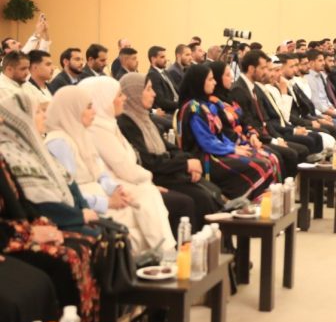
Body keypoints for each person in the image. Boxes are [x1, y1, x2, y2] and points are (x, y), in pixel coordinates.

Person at [0, 91, 103, 322]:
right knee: (61, 262)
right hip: (8, 236)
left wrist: (39, 224)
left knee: (85, 246)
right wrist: (25, 232)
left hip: (14, 230)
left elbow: (19, 200)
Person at [45, 86, 162, 256]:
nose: (94, 112)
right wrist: (107, 202)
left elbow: (100, 172)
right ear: (72, 110)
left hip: (101, 194)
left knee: (148, 201)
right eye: (88, 107)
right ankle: (159, 257)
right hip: (87, 204)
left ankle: (165, 253)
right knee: (135, 226)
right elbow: (68, 193)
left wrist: (115, 189)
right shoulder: (59, 143)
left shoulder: (80, 133)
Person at [78, 76, 178, 254]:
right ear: (104, 100)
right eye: (119, 95)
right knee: (157, 198)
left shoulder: (109, 124)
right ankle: (166, 252)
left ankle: (165, 252)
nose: (124, 98)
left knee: (156, 197)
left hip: (119, 183)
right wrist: (147, 181)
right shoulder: (97, 129)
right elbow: (123, 167)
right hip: (108, 188)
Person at [117, 73, 223, 229]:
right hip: (156, 176)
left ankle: (216, 238)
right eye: (148, 89)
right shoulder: (126, 124)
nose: (154, 94)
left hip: (167, 171)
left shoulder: (145, 119)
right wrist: (185, 165)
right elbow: (148, 161)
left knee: (212, 191)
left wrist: (188, 161)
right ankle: (194, 242)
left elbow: (169, 147)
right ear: (135, 93)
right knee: (200, 198)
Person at [176, 64, 275, 200]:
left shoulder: (205, 105)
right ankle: (244, 205)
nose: (215, 82)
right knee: (259, 165)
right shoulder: (194, 109)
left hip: (217, 151)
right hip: (205, 157)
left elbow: (219, 135)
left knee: (267, 157)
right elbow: (207, 142)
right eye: (210, 79)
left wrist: (235, 147)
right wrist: (232, 149)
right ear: (199, 82)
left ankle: (264, 205)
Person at [205, 61, 282, 182]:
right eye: (227, 75)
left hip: (244, 140)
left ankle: (278, 192)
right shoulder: (212, 104)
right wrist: (244, 142)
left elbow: (244, 121)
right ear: (218, 78)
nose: (231, 78)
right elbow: (225, 132)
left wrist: (252, 135)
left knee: (274, 156)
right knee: (267, 161)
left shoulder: (229, 97)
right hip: (231, 145)